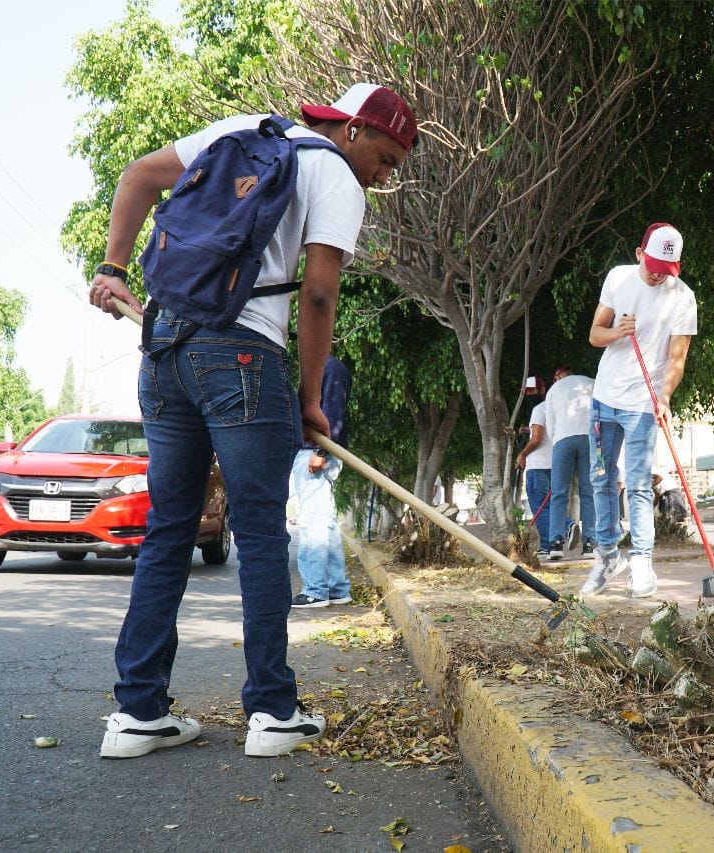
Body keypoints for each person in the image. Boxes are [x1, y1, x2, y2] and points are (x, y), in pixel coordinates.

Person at [89, 83, 417, 759]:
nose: (385, 176)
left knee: (169, 528)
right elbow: (320, 291)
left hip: (164, 345)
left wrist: (112, 267)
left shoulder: (243, 129)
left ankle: (136, 713)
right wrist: (310, 394)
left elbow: (140, 175)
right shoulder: (333, 174)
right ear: (352, 129)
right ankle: (273, 710)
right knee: (262, 530)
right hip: (242, 354)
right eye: (386, 156)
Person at [581, 223, 697, 598]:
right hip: (604, 400)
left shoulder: (683, 298)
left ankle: (642, 561)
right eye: (651, 264)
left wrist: (664, 397)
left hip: (644, 405)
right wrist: (617, 332)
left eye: (665, 268)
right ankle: (607, 556)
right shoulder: (619, 279)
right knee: (600, 479)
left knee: (639, 484)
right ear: (638, 254)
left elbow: (677, 359)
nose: (656, 273)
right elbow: (594, 334)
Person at [289, 354, 353, 609]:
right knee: (325, 523)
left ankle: (315, 590)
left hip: (315, 452)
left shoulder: (330, 367)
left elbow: (333, 413)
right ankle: (337, 589)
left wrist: (321, 452)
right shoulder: (324, 367)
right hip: (318, 451)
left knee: (312, 522)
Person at [543, 365, 596, 559]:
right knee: (589, 493)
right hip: (591, 440)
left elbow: (550, 426)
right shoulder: (593, 383)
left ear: (559, 378)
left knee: (559, 493)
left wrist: (559, 440)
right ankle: (590, 543)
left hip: (563, 440)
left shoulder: (553, 390)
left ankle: (556, 544)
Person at [514, 377, 553, 557]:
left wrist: (522, 454)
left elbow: (537, 439)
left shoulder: (538, 409)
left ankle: (548, 544)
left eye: (533, 391)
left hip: (538, 465)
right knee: (551, 504)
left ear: (542, 390)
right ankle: (555, 543)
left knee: (539, 506)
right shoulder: (553, 408)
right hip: (554, 463)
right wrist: (528, 431)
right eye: (527, 392)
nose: (530, 394)